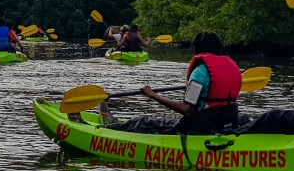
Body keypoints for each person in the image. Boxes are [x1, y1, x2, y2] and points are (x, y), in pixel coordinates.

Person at [104, 31, 245, 134]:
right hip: (226, 120)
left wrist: (152, 95)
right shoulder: (232, 66)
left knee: (142, 121)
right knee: (165, 118)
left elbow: (186, 109)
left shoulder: (200, 72)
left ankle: (108, 130)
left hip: (202, 125)